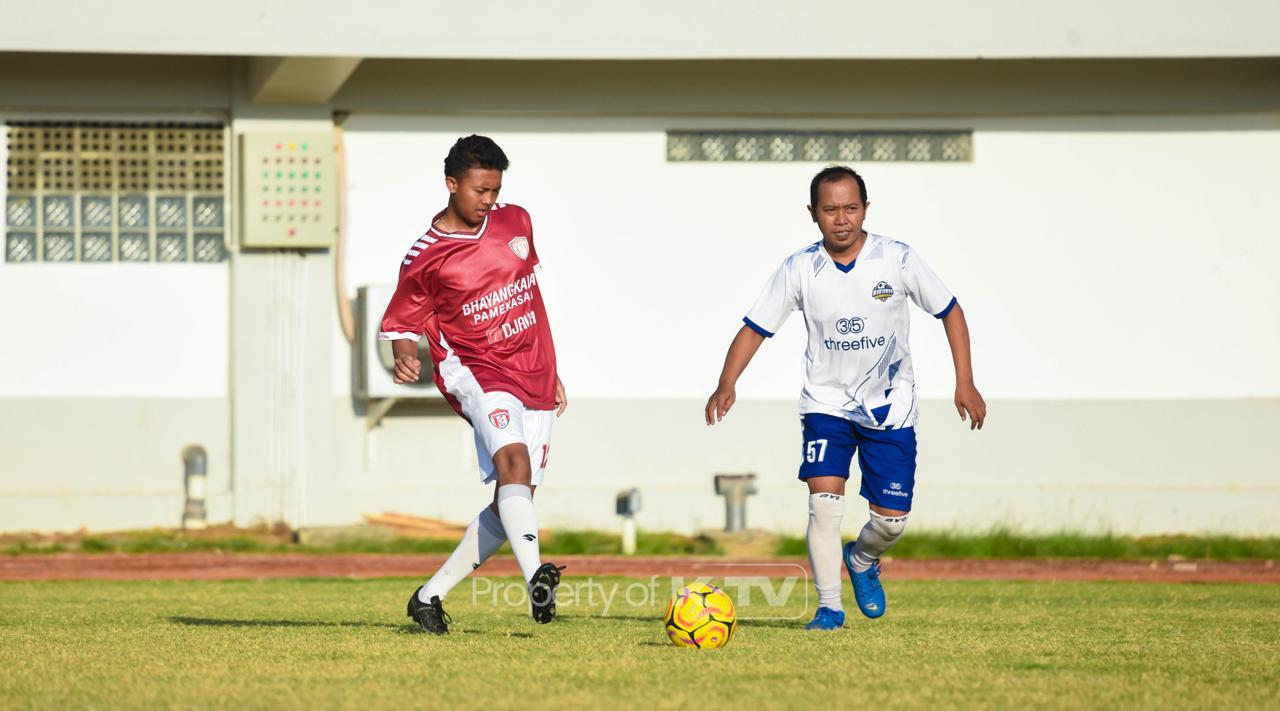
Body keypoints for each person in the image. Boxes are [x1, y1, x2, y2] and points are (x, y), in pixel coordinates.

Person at [704, 166, 986, 630]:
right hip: (826, 405)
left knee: (891, 521)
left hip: (890, 407)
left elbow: (951, 312)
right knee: (824, 503)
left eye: (851, 208)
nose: (841, 219)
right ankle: (829, 607)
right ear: (813, 213)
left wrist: (965, 382)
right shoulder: (799, 268)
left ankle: (862, 558)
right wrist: (726, 382)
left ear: (865, 209)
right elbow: (755, 328)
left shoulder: (896, 259)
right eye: (830, 209)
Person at [380, 134, 567, 634]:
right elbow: (402, 322)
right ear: (451, 184)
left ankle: (428, 597)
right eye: (480, 190)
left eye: (495, 189)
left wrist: (552, 369)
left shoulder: (516, 220)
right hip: (477, 370)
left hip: (534, 368)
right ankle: (537, 580)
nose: (489, 200)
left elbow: (528, 295)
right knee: (514, 464)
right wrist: (404, 355)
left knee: (514, 498)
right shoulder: (425, 256)